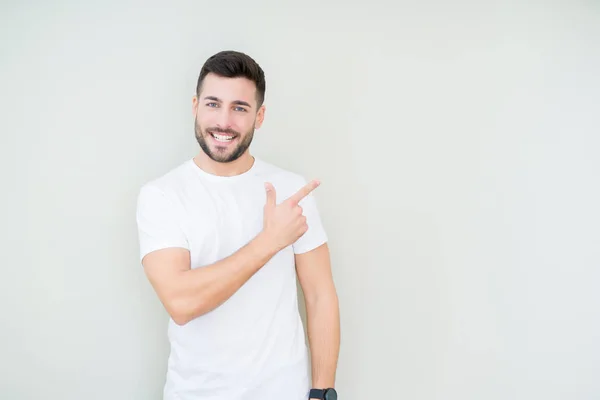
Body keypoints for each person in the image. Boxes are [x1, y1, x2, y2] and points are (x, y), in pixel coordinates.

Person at [135, 50, 340, 400]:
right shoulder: (161, 196)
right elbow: (181, 302)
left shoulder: (291, 190)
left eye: (240, 108)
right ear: (195, 106)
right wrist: (269, 241)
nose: (224, 121)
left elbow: (320, 296)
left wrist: (323, 393)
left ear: (259, 116)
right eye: (213, 104)